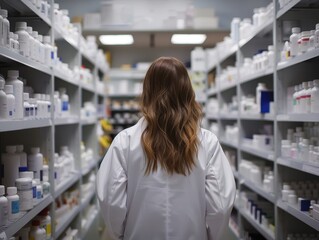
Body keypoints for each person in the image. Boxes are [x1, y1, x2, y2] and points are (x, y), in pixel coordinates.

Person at [96, 57, 236, 240]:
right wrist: (210, 236)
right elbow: (220, 205)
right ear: (188, 92)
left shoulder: (125, 141)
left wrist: (121, 235)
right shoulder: (207, 142)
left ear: (147, 92)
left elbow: (110, 200)